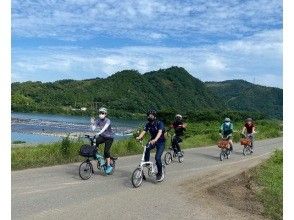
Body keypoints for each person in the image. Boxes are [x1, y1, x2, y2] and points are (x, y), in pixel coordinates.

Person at [136, 110, 165, 182]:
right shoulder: (148, 124)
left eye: (151, 115)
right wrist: (139, 137)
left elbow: (160, 132)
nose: (149, 116)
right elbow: (144, 131)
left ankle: (160, 173)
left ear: (154, 116)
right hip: (152, 141)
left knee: (157, 158)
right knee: (146, 147)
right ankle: (147, 162)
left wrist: (155, 139)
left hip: (160, 142)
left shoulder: (159, 123)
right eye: (148, 115)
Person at [90, 107, 114, 174]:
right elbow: (93, 129)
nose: (101, 114)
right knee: (94, 141)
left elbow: (104, 128)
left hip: (109, 138)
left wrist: (99, 133)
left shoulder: (108, 120)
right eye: (100, 113)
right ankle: (97, 154)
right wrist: (92, 123)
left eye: (102, 113)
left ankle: (109, 166)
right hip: (103, 136)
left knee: (106, 151)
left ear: (105, 114)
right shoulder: (98, 120)